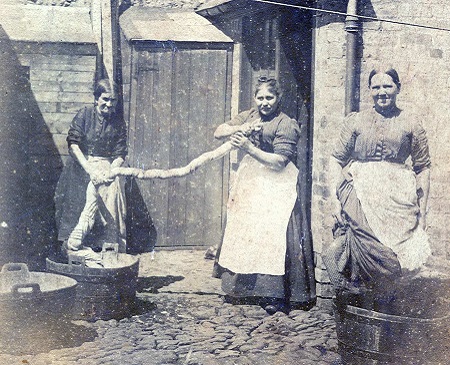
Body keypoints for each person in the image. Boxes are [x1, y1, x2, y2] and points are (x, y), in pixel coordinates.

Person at [323, 67, 432, 306]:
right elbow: (335, 159)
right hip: (360, 191)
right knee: (360, 243)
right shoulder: (356, 121)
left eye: (387, 86)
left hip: (398, 197)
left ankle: (388, 309)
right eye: (376, 87)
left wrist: (422, 213)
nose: (382, 92)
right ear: (370, 91)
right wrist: (334, 198)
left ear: (398, 88)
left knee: (395, 253)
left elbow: (423, 167)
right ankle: (357, 302)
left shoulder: (411, 124)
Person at [212, 77, 316, 314]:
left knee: (272, 235)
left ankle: (274, 292)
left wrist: (248, 147)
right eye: (260, 98)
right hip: (251, 180)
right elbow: (219, 131)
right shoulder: (250, 116)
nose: (264, 103)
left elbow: (280, 161)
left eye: (269, 98)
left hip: (275, 181)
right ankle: (243, 289)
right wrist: (239, 129)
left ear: (278, 98)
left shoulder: (286, 123)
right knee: (246, 231)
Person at [54, 79, 128, 262]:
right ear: (96, 98)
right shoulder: (84, 115)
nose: (109, 104)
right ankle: (71, 251)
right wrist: (89, 170)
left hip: (107, 169)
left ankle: (107, 254)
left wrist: (111, 171)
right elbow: (73, 145)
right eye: (105, 99)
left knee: (111, 209)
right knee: (76, 208)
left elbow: (121, 152)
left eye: (113, 100)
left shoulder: (118, 122)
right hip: (81, 167)